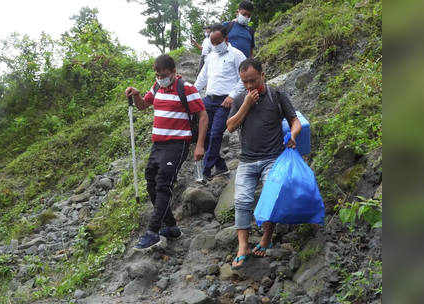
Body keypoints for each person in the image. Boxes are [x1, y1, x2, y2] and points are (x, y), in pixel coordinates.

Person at [125, 54, 209, 251]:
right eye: (157, 74)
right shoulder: (156, 87)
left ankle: (153, 231)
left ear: (173, 72)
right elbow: (143, 106)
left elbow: (203, 116)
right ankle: (171, 227)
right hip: (158, 144)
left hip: (177, 144)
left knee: (164, 184)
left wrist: (200, 145)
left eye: (163, 74)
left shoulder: (186, 88)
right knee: (151, 182)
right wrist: (137, 94)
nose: (160, 77)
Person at [226, 58, 301, 269]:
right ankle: (243, 247)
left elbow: (294, 120)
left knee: (271, 198)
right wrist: (246, 105)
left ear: (262, 75)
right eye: (245, 82)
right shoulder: (240, 99)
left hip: (273, 158)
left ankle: (266, 238)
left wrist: (293, 134)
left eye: (253, 80)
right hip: (247, 159)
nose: (249, 86)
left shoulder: (276, 96)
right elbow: (230, 126)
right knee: (241, 201)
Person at [194, 24, 246, 184]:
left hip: (226, 101)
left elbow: (244, 80)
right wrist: (192, 94)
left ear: (226, 39)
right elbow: (202, 78)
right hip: (209, 99)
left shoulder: (237, 55)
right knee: (204, 133)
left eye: (218, 42)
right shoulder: (210, 57)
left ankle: (205, 172)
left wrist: (232, 96)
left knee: (216, 133)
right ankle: (221, 165)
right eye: (212, 42)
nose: (215, 45)